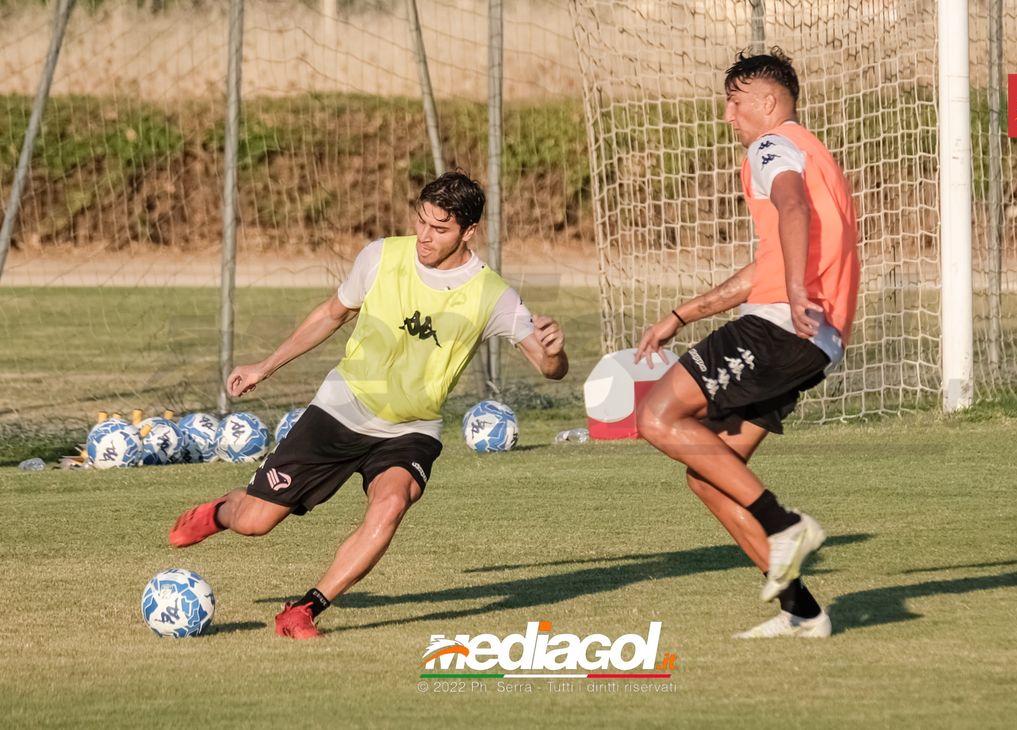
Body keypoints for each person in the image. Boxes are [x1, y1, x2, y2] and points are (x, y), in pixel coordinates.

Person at [169, 171, 569, 639]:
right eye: (421, 221)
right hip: (341, 408)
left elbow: (549, 368)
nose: (424, 236)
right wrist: (265, 366)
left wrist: (556, 350)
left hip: (410, 429)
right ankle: (218, 512)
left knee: (391, 504)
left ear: (469, 232)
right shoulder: (382, 256)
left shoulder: (492, 294)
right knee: (255, 522)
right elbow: (332, 313)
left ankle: (303, 609)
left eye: (440, 228)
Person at [634, 49, 859, 639]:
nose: (729, 115)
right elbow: (764, 265)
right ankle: (801, 611)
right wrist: (682, 314)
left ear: (767, 101)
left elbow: (791, 207)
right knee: (708, 471)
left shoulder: (771, 147)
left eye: (736, 101)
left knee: (657, 419)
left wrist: (791, 289)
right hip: (816, 339)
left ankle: (784, 524)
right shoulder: (813, 152)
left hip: (783, 324)